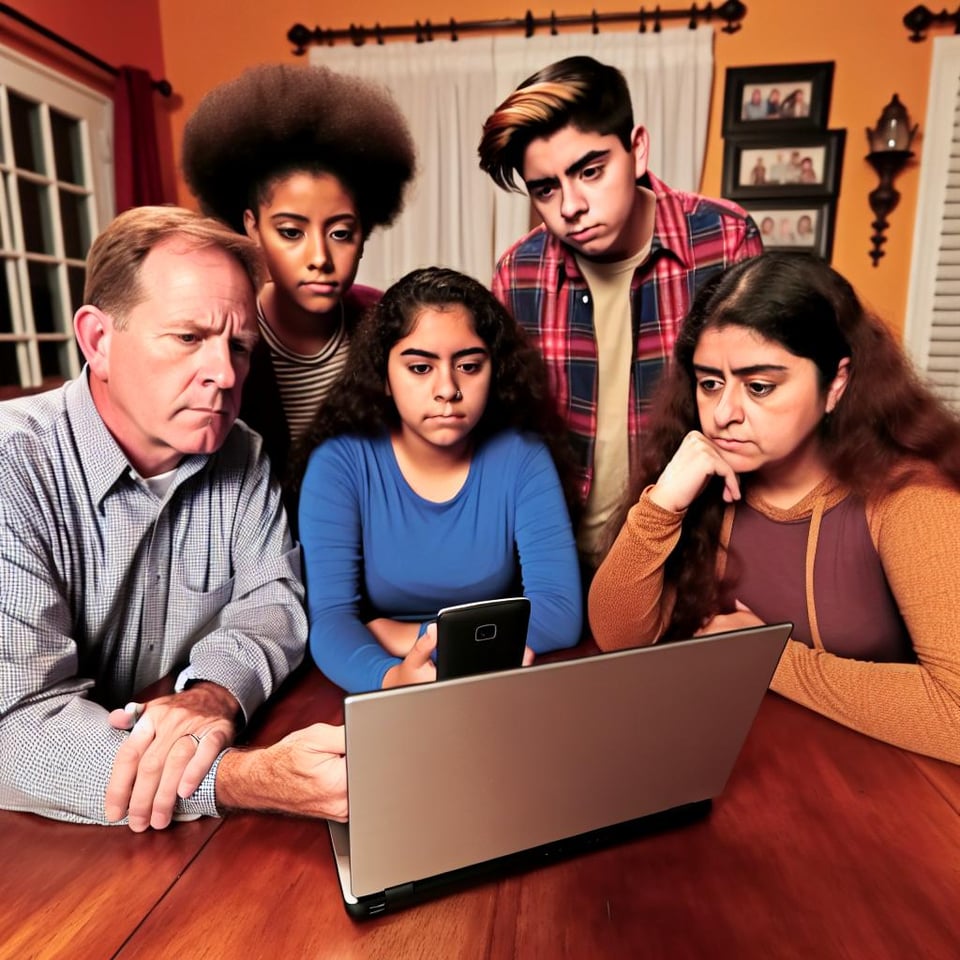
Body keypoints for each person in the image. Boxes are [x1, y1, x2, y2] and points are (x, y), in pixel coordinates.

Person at [0, 206, 347, 828]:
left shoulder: (242, 451)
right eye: (189, 337)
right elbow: (15, 727)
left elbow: (273, 601)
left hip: (145, 827)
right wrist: (244, 777)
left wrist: (211, 693)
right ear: (99, 340)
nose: (224, 373)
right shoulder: (11, 465)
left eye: (239, 347)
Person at [588, 253, 960, 764]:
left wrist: (765, 654)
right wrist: (664, 504)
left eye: (759, 386)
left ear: (836, 383)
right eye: (709, 383)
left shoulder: (910, 498)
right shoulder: (702, 481)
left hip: (885, 786)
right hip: (745, 768)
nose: (723, 414)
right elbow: (620, 639)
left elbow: (955, 713)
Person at [478, 56, 762, 567]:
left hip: (690, 551)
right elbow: (507, 431)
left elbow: (758, 408)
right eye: (546, 188)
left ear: (637, 150)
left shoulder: (723, 240)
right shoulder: (518, 273)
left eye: (590, 171)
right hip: (556, 561)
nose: (570, 206)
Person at [294, 267, 582, 694]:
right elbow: (331, 621)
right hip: (392, 684)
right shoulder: (339, 466)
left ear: (494, 370)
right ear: (384, 376)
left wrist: (407, 635)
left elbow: (560, 612)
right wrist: (389, 676)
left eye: (468, 365)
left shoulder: (522, 457)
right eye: (420, 367)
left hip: (498, 685)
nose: (447, 388)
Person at [181, 63, 416, 498]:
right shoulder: (224, 337)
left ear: (365, 233)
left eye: (341, 233)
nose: (320, 258)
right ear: (252, 227)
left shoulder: (389, 323)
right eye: (291, 232)